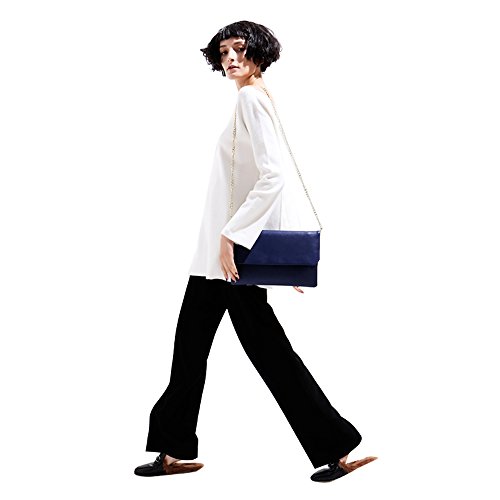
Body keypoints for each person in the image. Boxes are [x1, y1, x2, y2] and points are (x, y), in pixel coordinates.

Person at [134, 20, 377, 482]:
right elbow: (260, 180)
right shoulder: (254, 97)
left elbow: (273, 177)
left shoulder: (251, 98)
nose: (231, 58)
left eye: (240, 49)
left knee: (250, 354)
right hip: (217, 259)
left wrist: (235, 238)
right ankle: (173, 451)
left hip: (227, 259)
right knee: (200, 351)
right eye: (224, 51)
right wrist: (265, 253)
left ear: (260, 52)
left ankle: (335, 448)